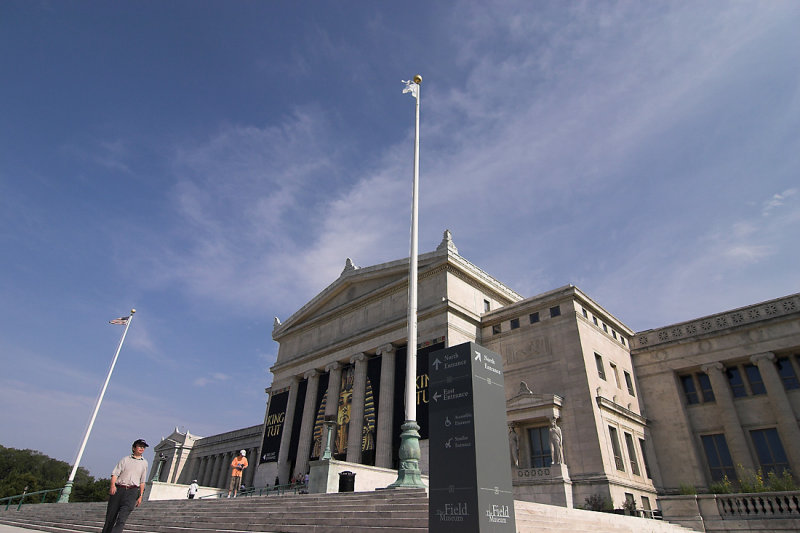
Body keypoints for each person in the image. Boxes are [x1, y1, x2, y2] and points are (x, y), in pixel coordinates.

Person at [102, 438, 149, 533]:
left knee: (122, 519)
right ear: (133, 448)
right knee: (110, 518)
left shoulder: (145, 463)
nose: (142, 448)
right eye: (140, 446)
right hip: (119, 490)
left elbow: (142, 481)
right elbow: (115, 474)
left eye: (143, 447)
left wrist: (140, 496)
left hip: (132, 492)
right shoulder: (125, 460)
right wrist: (112, 486)